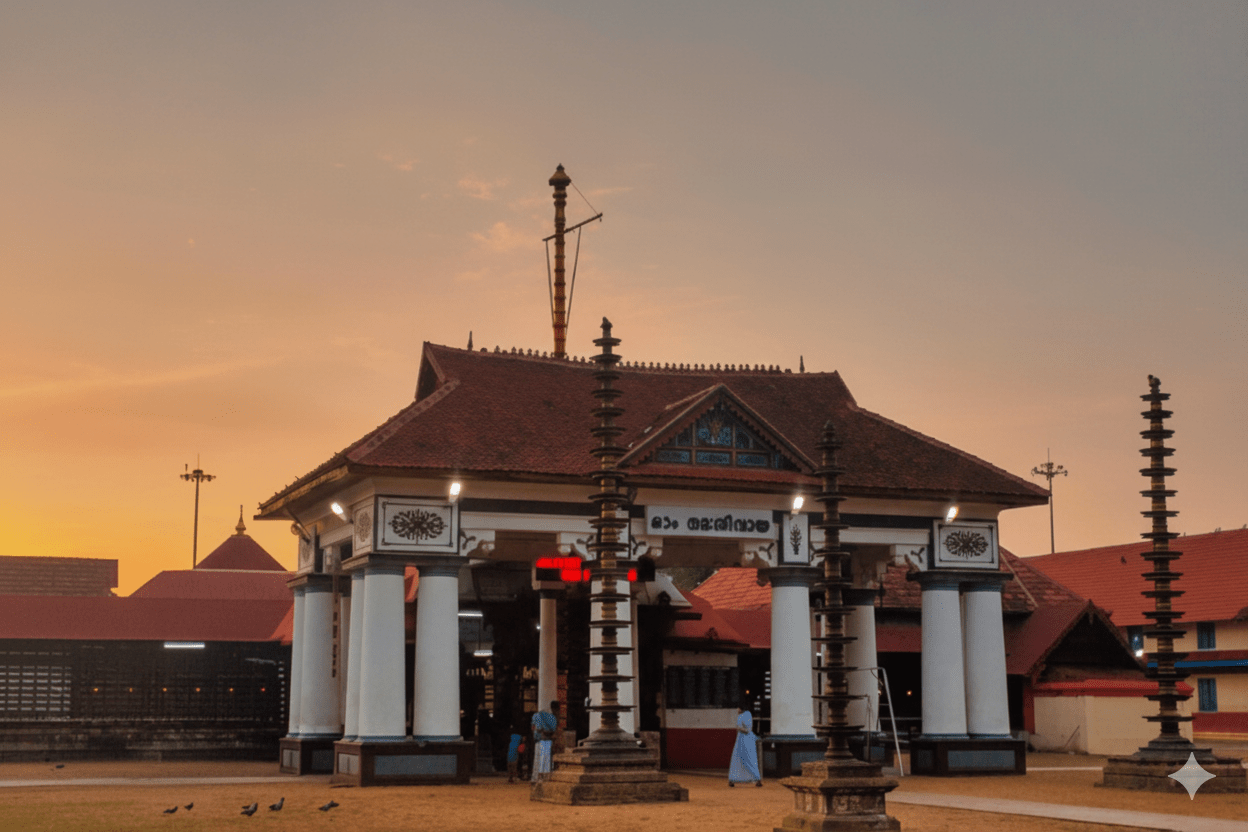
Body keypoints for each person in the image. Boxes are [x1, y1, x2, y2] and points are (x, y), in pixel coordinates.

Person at [728, 702, 762, 787]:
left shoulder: (742, 716)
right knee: (750, 759)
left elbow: (746, 730)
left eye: (738, 708)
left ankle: (732, 780)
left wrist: (738, 728)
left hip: (742, 740)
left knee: (737, 759)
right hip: (747, 740)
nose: (737, 710)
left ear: (741, 708)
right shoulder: (748, 715)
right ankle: (757, 780)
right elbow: (748, 730)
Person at [530, 700, 559, 783]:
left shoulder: (537, 716)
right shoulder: (552, 717)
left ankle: (536, 778)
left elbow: (533, 728)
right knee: (544, 761)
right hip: (545, 740)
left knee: (538, 761)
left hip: (539, 740)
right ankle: (542, 778)